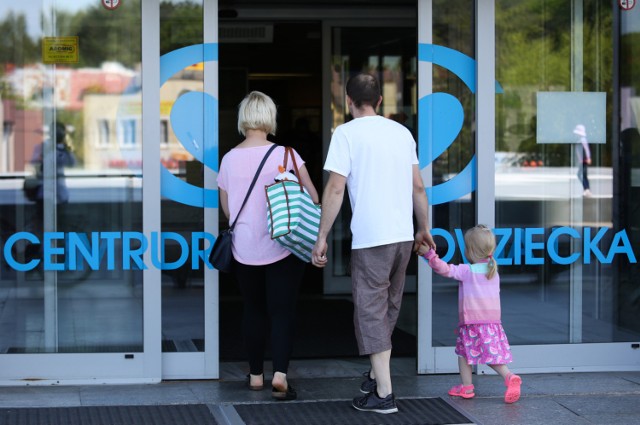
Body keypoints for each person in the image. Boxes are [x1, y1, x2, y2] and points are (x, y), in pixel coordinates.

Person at [311, 73, 435, 414]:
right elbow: (418, 188)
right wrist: (424, 228)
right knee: (389, 307)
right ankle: (375, 374)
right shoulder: (401, 132)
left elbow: (336, 189)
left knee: (370, 311)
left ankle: (384, 394)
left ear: (348, 102)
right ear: (380, 100)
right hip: (402, 237)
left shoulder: (346, 134)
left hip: (371, 240)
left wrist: (321, 236)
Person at [217, 91, 319, 401]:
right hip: (283, 245)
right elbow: (313, 197)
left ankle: (256, 376)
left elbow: (228, 209)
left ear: (243, 118)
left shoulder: (229, 158)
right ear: (269, 118)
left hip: (244, 249)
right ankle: (280, 375)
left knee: (253, 310)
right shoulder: (286, 155)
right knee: (282, 312)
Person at [417, 225, 522, 404]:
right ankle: (467, 387)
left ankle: (507, 376)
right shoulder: (493, 272)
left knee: (467, 354)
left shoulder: (468, 271)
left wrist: (430, 256)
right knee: (472, 353)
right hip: (491, 323)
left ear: (470, 250)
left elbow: (445, 269)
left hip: (473, 324)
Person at [573, 124, 592, 197]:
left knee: (582, 175)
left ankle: (587, 189)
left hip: (584, 161)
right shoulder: (579, 140)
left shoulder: (583, 140)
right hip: (582, 161)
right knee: (581, 175)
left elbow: (586, 150)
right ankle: (586, 189)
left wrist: (588, 157)